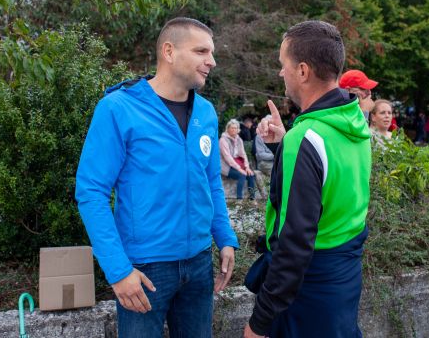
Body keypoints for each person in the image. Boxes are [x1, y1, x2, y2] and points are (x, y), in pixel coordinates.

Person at [75, 18, 238, 338]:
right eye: (202, 51)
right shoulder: (118, 108)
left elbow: (211, 182)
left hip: (199, 264)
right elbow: (91, 192)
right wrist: (118, 271)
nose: (212, 61)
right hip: (145, 271)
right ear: (169, 51)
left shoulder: (206, 112)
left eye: (212, 52)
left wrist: (226, 237)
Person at [244, 21, 371, 338]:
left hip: (307, 294)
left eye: (282, 64)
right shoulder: (354, 122)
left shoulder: (307, 139)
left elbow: (294, 245)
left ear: (302, 71)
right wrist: (283, 146)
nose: (280, 73)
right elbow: (332, 182)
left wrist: (259, 323)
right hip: (343, 283)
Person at [220, 119, 256, 199]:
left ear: (238, 130)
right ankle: (239, 199)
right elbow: (228, 158)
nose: (234, 130)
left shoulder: (239, 139)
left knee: (251, 174)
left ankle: (252, 198)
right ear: (228, 129)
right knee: (242, 175)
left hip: (237, 164)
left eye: (235, 128)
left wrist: (247, 167)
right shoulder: (223, 140)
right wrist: (240, 169)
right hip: (226, 166)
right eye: (232, 128)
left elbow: (243, 154)